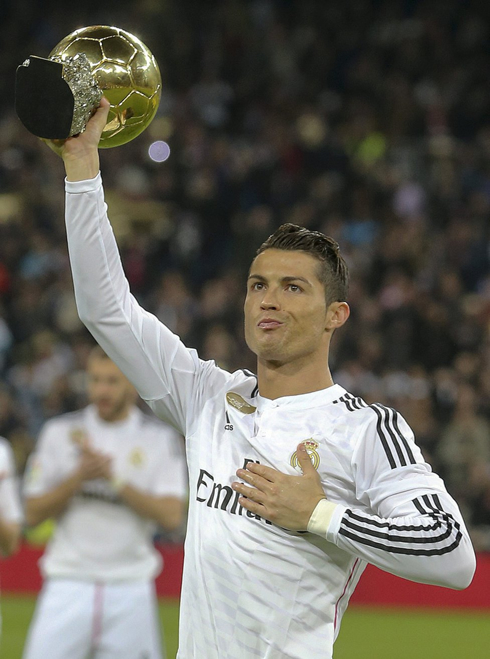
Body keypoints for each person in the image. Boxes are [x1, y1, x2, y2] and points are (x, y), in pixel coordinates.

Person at [45, 99, 476, 659]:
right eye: (257, 285)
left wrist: (320, 515)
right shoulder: (206, 396)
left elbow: (453, 554)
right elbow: (106, 308)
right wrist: (81, 163)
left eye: (293, 287)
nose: (268, 301)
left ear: (335, 315)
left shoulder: (367, 429)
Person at [21, 344, 187, 659]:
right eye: (95, 380)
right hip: (67, 581)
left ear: (133, 384)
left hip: (131, 586)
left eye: (112, 381)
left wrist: (116, 480)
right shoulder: (60, 432)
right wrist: (77, 478)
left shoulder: (157, 439)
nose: (101, 390)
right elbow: (30, 513)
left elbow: (171, 516)